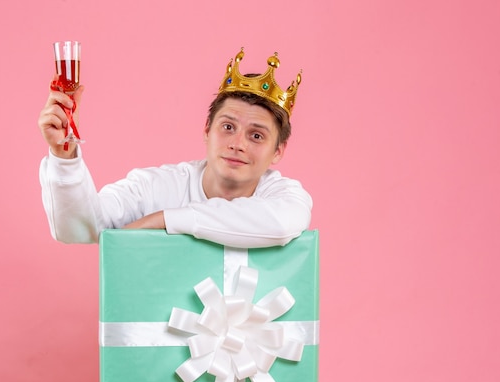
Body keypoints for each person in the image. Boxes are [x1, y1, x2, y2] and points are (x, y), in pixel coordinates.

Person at [38, 48, 312, 249]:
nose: (237, 144)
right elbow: (76, 229)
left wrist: (163, 221)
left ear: (278, 151)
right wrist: (65, 159)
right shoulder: (152, 186)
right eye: (228, 127)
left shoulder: (283, 195)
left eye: (256, 135)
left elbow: (280, 224)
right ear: (207, 130)